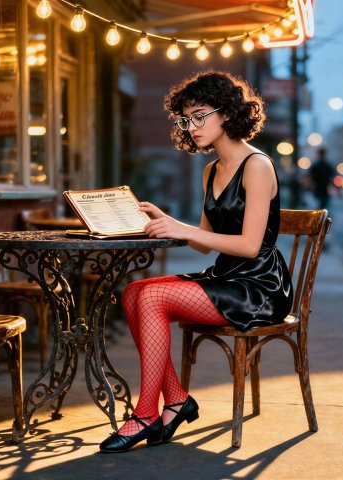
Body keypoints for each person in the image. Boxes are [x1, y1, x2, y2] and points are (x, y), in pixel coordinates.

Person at [99, 71, 294, 453]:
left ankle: (146, 414)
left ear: (228, 113)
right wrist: (158, 222)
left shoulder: (258, 166)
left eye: (200, 115)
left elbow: (251, 245)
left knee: (152, 298)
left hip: (258, 287)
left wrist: (183, 229)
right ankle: (175, 400)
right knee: (134, 292)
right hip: (225, 277)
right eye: (186, 119)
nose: (192, 126)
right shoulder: (211, 171)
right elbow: (205, 242)